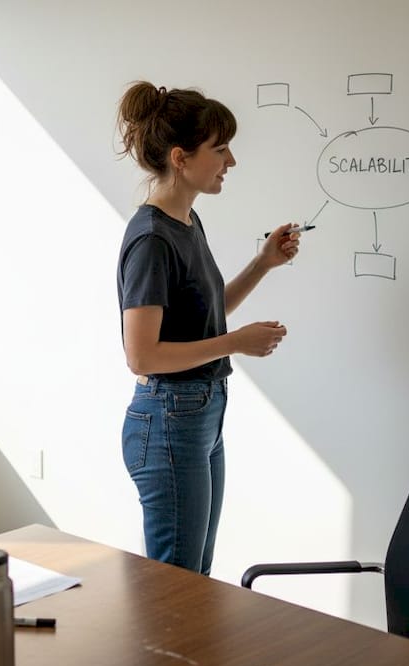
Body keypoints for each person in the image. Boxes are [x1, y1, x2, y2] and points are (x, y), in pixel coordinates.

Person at [115, 80, 301, 574]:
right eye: (220, 149)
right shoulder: (153, 239)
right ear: (180, 157)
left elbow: (203, 316)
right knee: (178, 588)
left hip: (198, 415)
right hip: (170, 417)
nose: (231, 161)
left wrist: (262, 264)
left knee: (193, 579)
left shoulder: (186, 222)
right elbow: (143, 355)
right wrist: (237, 343)